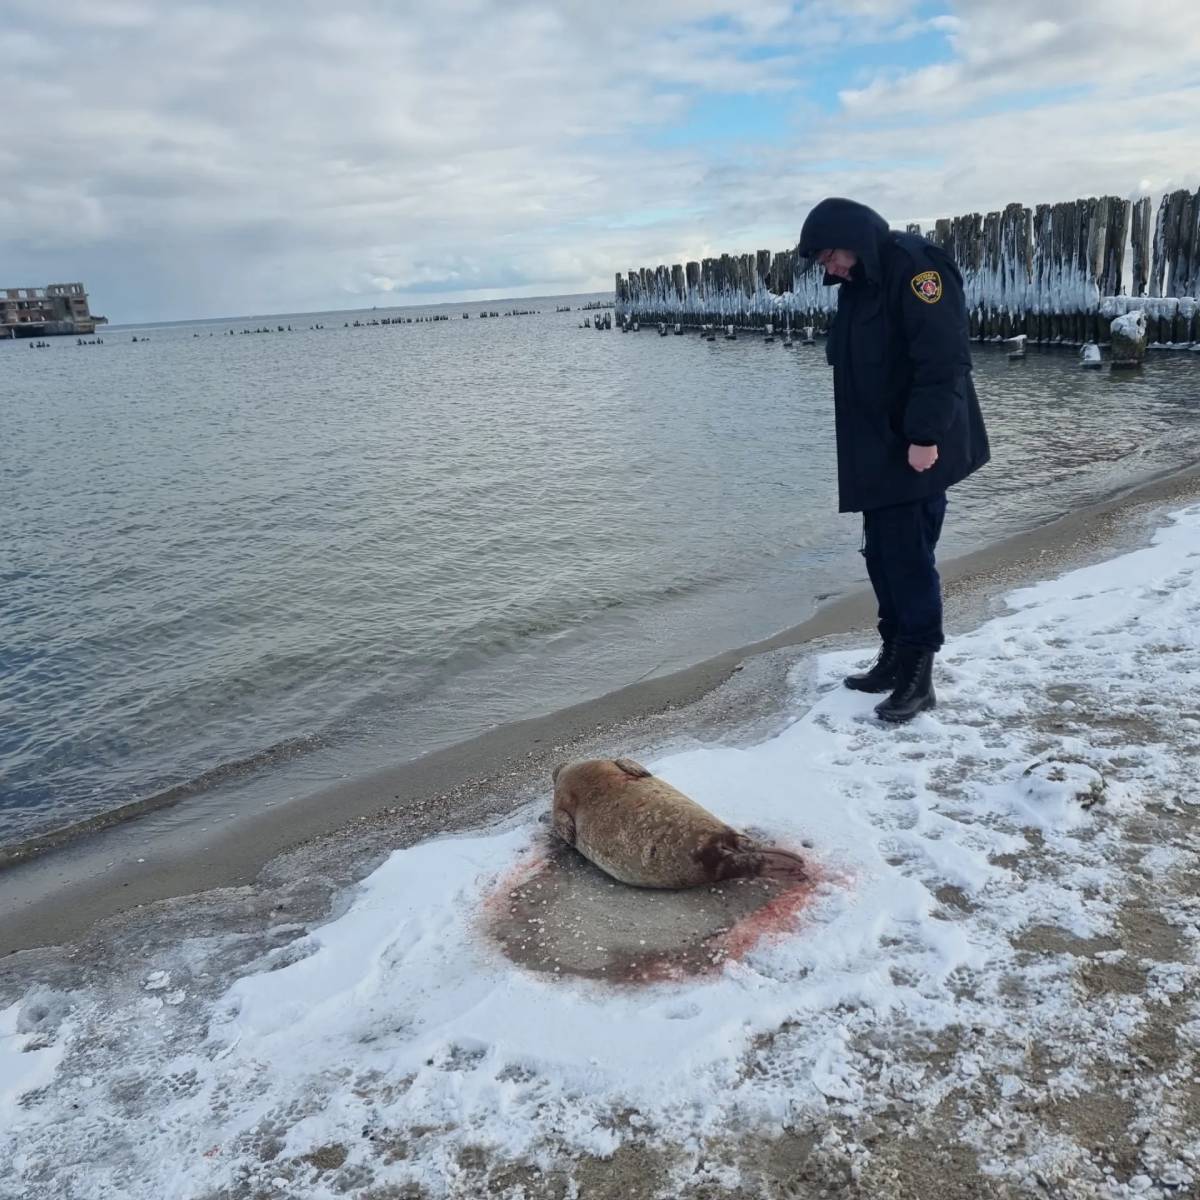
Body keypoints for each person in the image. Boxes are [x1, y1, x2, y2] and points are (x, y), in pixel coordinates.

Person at [796, 198, 990, 723]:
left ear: (854, 238)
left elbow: (943, 359)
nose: (827, 268)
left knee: (908, 558)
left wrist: (925, 436)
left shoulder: (917, 270)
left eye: (829, 255)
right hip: (877, 449)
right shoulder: (858, 285)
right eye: (821, 262)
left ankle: (918, 676)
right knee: (880, 555)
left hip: (915, 447)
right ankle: (893, 656)